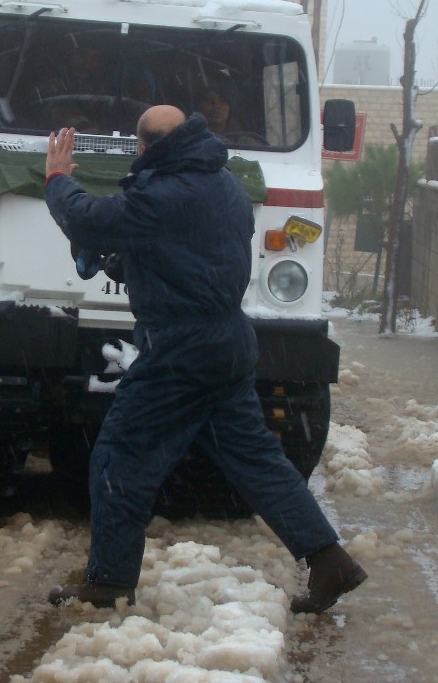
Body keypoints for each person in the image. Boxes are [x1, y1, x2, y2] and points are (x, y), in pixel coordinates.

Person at [43, 106, 367, 613]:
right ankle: (331, 562)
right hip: (228, 342)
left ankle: (108, 582)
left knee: (119, 457)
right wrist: (134, 263)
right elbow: (191, 260)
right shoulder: (226, 187)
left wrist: (58, 179)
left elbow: (87, 218)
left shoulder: (160, 195)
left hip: (179, 348)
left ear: (144, 147)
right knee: (256, 461)